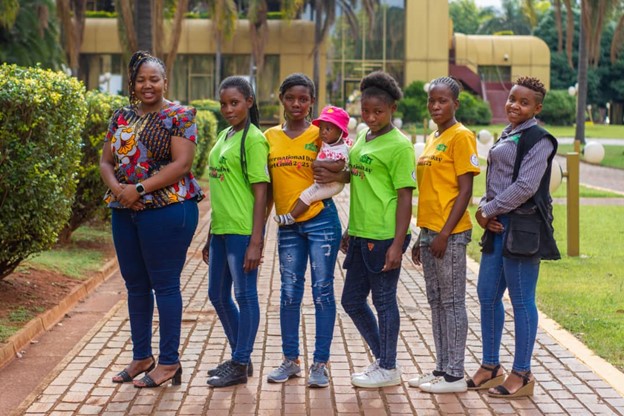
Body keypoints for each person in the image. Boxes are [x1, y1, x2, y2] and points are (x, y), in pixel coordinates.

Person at [100, 51, 202, 388]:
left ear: (164, 81)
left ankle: (170, 362)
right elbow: (106, 163)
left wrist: (139, 189)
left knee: (165, 285)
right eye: (141, 79)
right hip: (124, 210)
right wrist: (120, 191)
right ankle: (142, 356)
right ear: (133, 83)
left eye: (154, 79)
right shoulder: (121, 117)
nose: (148, 85)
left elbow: (182, 164)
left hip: (168, 210)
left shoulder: (180, 115)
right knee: (135, 285)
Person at [467, 76, 560, 398]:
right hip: (496, 221)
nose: (514, 105)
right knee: (487, 294)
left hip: (520, 227)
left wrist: (488, 210)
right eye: (511, 99)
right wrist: (484, 208)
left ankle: (522, 374)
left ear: (537, 107)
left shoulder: (540, 139)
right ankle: (491, 366)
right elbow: (496, 178)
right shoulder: (509, 133)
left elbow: (526, 187)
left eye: (523, 102)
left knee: (521, 301)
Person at [265, 73, 342, 388]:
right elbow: (264, 185)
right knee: (288, 293)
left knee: (322, 291)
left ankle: (320, 364)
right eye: (290, 98)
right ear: (281, 99)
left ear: (312, 101)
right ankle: (290, 360)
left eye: (304, 98)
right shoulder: (268, 137)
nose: (297, 104)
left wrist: (341, 173)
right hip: (288, 226)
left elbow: (344, 169)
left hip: (321, 221)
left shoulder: (322, 134)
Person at [340, 71, 416, 388]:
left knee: (383, 302)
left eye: (378, 112)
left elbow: (405, 198)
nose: (371, 117)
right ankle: (385, 360)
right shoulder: (363, 137)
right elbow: (357, 177)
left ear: (392, 110)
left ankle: (388, 366)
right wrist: (350, 230)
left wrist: (398, 244)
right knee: (352, 301)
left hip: (385, 235)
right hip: (361, 233)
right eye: (366, 111)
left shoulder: (399, 146)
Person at [407, 77, 480, 393]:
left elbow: (465, 191)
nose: (436, 106)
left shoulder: (461, 137)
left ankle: (455, 375)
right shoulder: (436, 137)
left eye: (443, 101)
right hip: (429, 231)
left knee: (452, 302)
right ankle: (440, 368)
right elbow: (431, 190)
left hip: (450, 234)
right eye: (432, 101)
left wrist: (444, 234)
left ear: (456, 104)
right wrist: (421, 235)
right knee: (436, 301)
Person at [202, 76, 269, 388]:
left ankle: (240, 361)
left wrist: (257, 241)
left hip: (242, 231)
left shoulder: (254, 139)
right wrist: (209, 236)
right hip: (221, 230)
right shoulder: (226, 134)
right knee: (216, 294)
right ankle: (241, 357)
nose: (228, 109)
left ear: (249, 102)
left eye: (235, 103)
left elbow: (261, 192)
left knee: (244, 294)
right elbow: (220, 188)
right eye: (224, 104)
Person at [273, 105, 351, 225]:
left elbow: (339, 165)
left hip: (332, 184)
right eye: (321, 128)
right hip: (324, 182)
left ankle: (291, 217)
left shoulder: (340, 148)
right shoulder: (328, 141)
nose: (323, 132)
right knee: (308, 194)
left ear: (340, 131)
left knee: (307, 195)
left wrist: (320, 163)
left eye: (328, 129)